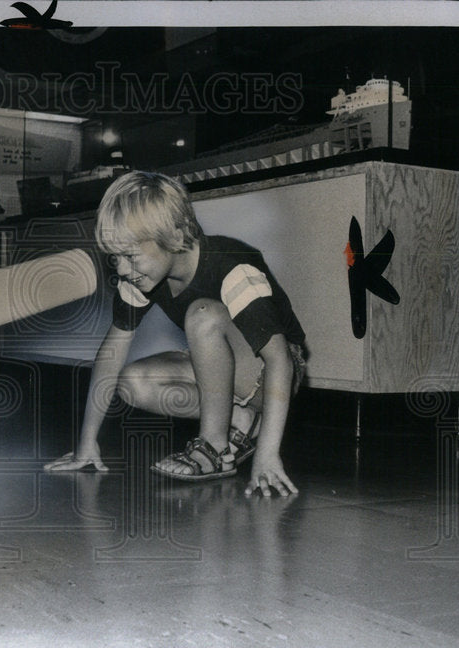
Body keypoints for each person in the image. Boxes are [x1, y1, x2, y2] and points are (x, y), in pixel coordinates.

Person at [44, 171, 307, 497]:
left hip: (274, 372)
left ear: (174, 234)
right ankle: (240, 421)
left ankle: (214, 448)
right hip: (232, 373)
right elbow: (110, 355)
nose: (122, 270)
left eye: (130, 256)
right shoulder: (141, 278)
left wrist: (267, 455)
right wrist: (86, 443)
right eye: (115, 258)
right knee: (131, 382)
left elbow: (280, 359)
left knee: (202, 315)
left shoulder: (233, 265)